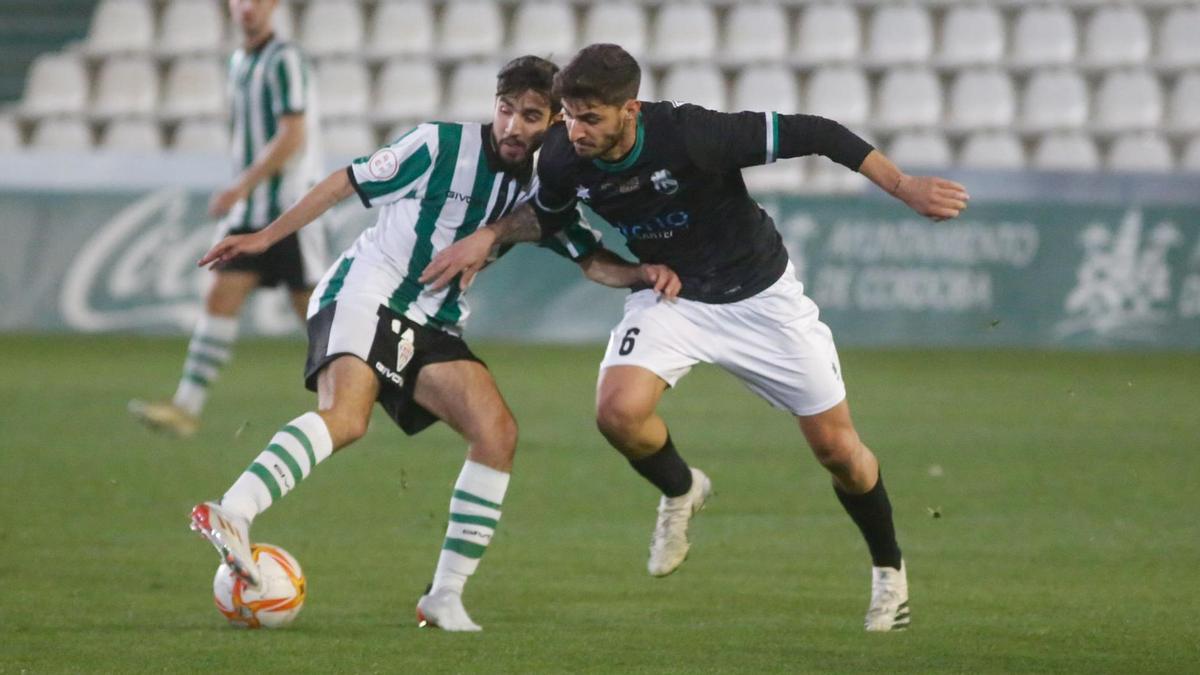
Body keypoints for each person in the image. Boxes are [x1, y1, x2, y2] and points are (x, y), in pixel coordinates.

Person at [422, 44, 970, 632]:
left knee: (839, 451)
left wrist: (904, 186)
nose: (574, 131)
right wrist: (493, 234)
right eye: (569, 116)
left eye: (590, 119)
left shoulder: (690, 134)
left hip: (761, 298)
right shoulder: (561, 156)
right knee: (617, 412)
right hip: (674, 294)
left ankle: (890, 574)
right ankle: (682, 489)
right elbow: (546, 216)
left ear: (629, 109)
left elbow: (819, 132)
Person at [188, 55, 681, 632]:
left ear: (553, 123)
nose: (513, 126)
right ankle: (235, 510)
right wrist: (266, 237)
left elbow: (589, 258)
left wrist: (643, 273)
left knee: (496, 432)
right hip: (365, 293)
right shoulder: (438, 145)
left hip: (432, 323)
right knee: (346, 418)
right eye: (505, 110)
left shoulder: (548, 190)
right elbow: (346, 181)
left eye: (530, 115)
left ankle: (443, 596)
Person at [130, 0, 328, 438]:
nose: (247, 7)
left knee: (316, 314)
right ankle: (186, 406)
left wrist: (242, 183)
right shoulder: (240, 60)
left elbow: (293, 135)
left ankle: (358, 395)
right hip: (250, 213)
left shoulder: (285, 59)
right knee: (220, 295)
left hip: (288, 209)